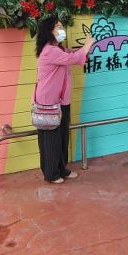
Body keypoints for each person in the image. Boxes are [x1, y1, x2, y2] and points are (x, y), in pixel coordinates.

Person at [34, 16, 94, 184]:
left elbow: (74, 55)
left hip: (61, 101)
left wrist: (85, 49)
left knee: (61, 137)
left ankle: (62, 169)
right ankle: (51, 173)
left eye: (61, 26)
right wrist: (87, 44)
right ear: (49, 31)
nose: (62, 30)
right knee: (50, 139)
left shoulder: (58, 49)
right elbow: (73, 59)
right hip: (49, 101)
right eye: (58, 27)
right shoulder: (49, 51)